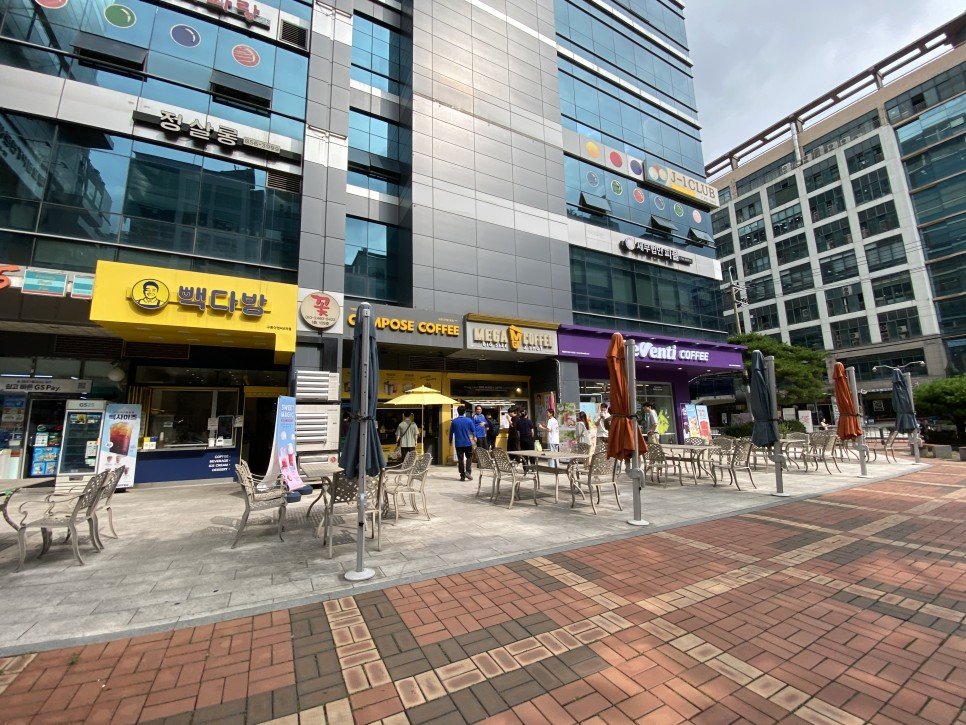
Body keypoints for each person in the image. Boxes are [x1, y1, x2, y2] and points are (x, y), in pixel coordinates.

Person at [448, 405, 476, 481]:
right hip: (467, 443)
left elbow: (451, 433)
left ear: (458, 412)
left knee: (460, 460)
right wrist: (474, 437)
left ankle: (462, 476)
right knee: (469, 457)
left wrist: (450, 441)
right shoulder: (469, 420)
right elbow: (473, 431)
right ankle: (468, 472)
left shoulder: (454, 421)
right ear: (465, 412)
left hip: (458, 444)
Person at [516, 408, 535, 472]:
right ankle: (533, 468)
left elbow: (518, 432)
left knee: (524, 454)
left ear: (520, 414)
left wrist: (520, 438)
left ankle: (525, 468)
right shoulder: (529, 421)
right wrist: (531, 437)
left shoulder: (518, 421)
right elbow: (532, 432)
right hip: (529, 438)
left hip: (522, 438)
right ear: (526, 415)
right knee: (531, 453)